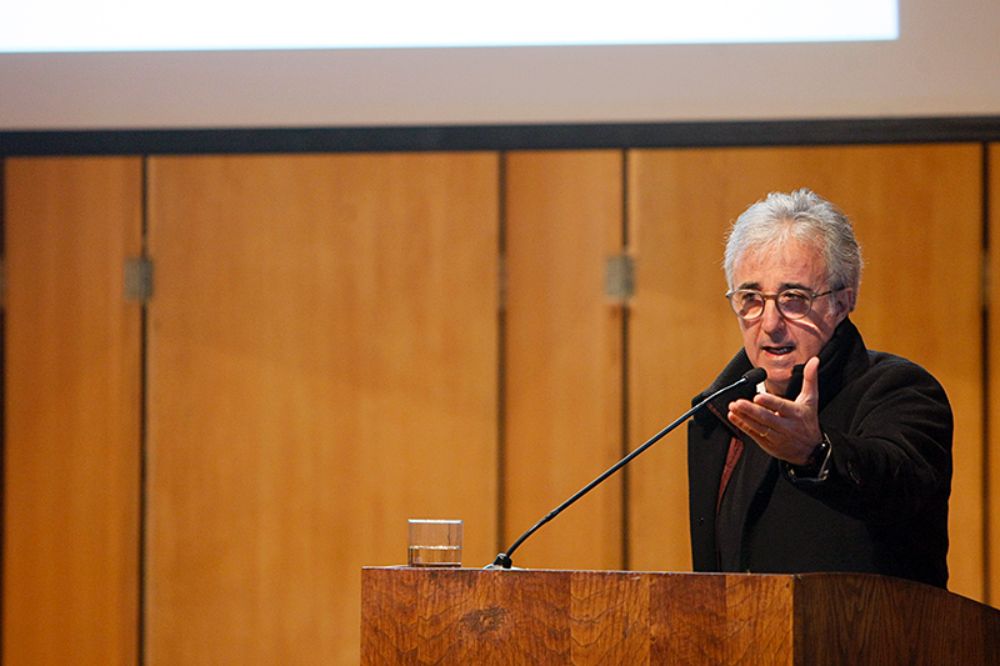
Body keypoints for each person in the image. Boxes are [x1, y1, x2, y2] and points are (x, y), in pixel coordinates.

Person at [687, 188, 952, 588]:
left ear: (843, 303)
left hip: (869, 643)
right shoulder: (717, 415)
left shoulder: (901, 391)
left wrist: (816, 454)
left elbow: (897, 485)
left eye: (793, 298)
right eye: (751, 298)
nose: (771, 322)